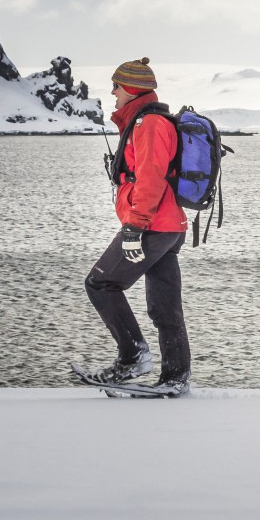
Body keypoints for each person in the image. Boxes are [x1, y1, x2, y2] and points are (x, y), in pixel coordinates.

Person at [84, 57, 191, 394]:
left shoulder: (149, 124)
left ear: (130, 89)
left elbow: (151, 178)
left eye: (117, 86)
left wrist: (135, 227)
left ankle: (133, 357)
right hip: (167, 225)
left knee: (100, 284)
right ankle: (175, 378)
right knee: (164, 306)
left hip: (152, 226)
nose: (113, 92)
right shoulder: (145, 121)